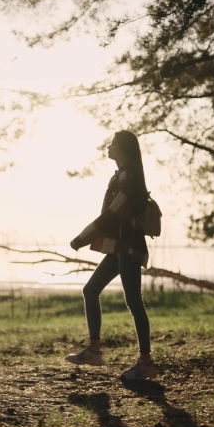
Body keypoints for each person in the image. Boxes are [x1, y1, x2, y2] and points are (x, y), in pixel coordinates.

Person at [67, 130, 157, 381]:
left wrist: (82, 238)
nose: (108, 146)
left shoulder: (129, 179)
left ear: (124, 149)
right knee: (91, 290)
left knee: (133, 301)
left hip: (129, 247)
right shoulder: (120, 177)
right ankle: (94, 350)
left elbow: (112, 216)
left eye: (113, 143)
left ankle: (146, 363)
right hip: (119, 247)